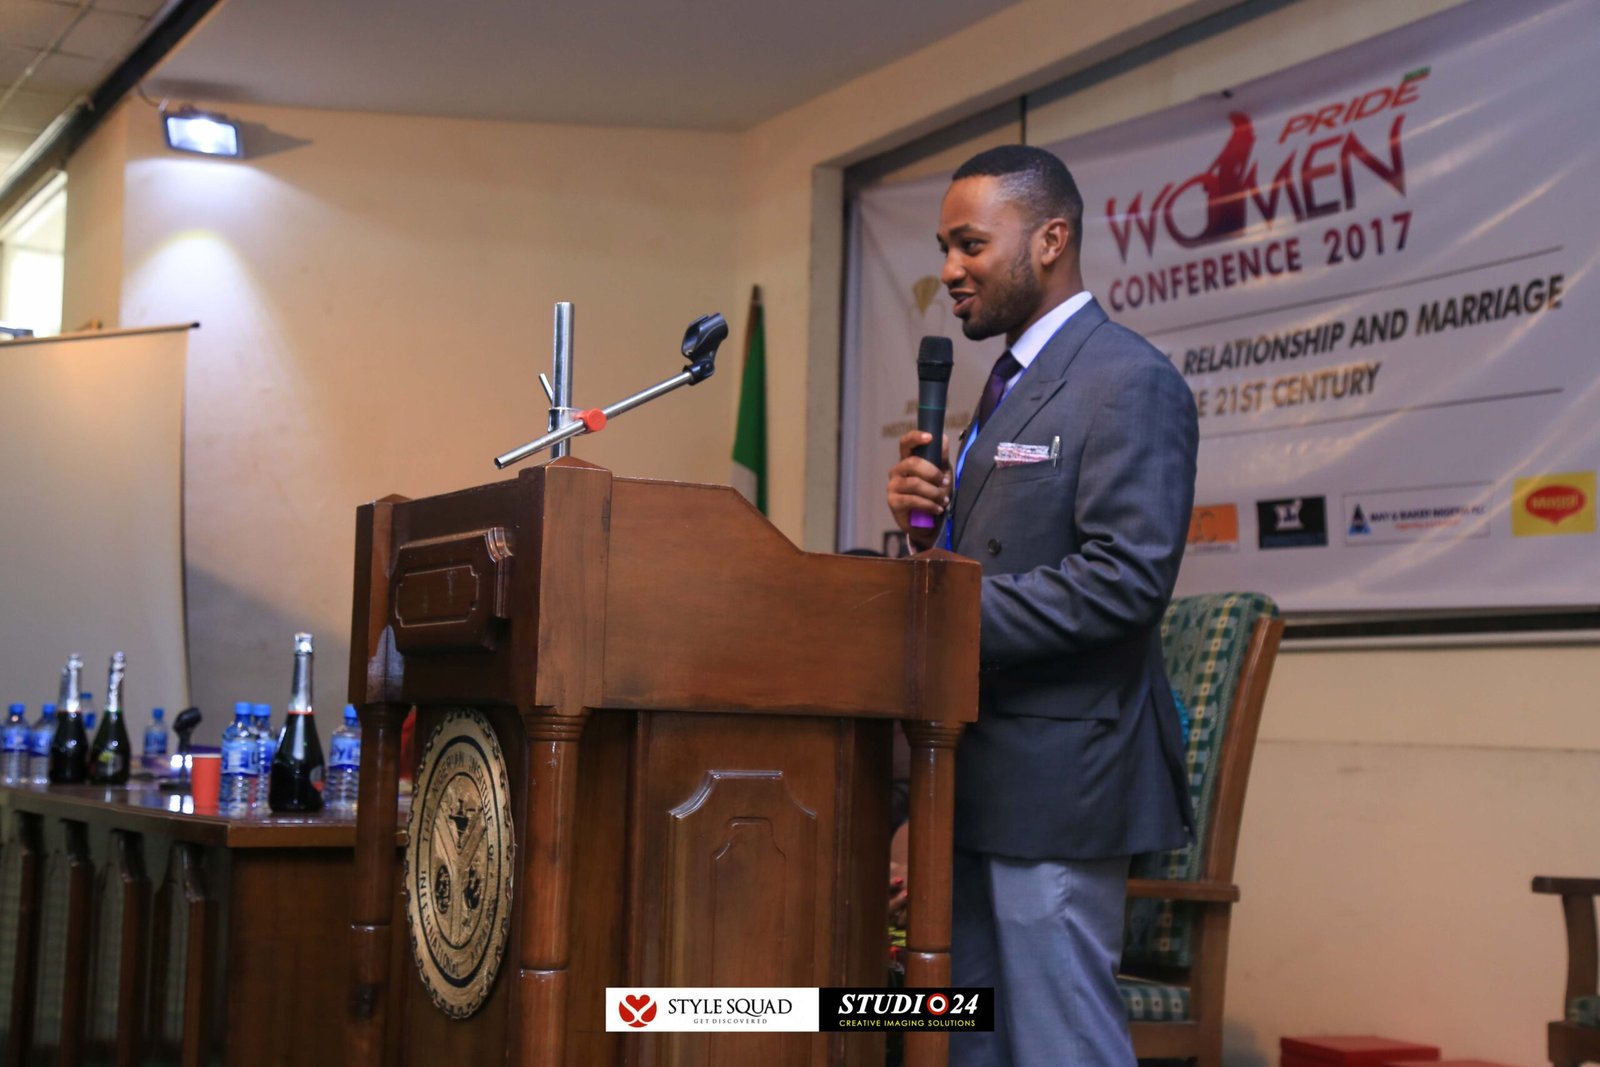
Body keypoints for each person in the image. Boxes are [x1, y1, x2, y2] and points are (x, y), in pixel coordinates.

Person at [884, 145, 1196, 1066]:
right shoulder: (1007, 382)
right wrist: (925, 540)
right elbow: (999, 563)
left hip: (1060, 778)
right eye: (944, 248)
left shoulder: (1126, 380)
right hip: (976, 774)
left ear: (1051, 239)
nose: (951, 270)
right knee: (969, 1042)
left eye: (971, 244)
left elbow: (1125, 579)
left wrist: (943, 611)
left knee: (1060, 1045)